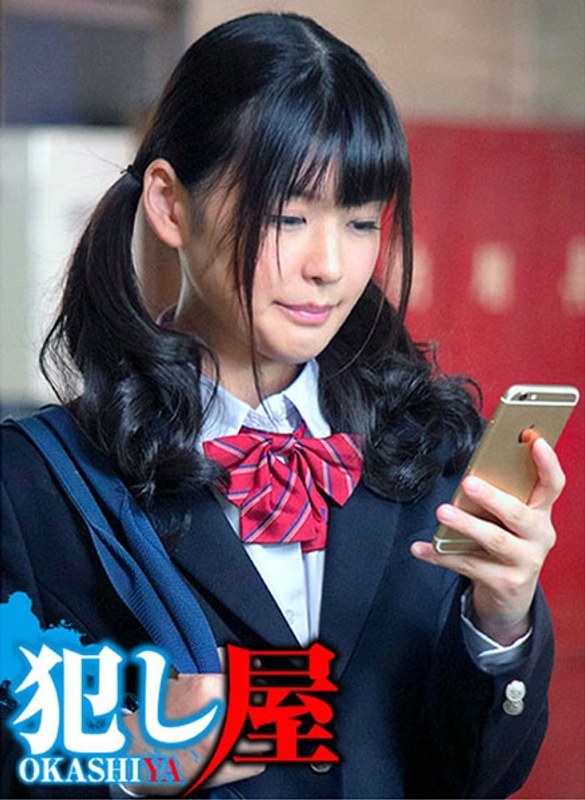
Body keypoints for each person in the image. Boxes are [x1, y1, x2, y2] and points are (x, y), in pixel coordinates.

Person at [1, 11, 564, 800]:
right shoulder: (37, 487)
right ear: (169, 204)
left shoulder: (433, 451)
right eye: (287, 217)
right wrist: (128, 761)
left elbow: (472, 779)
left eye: (360, 221)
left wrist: (501, 622)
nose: (328, 265)